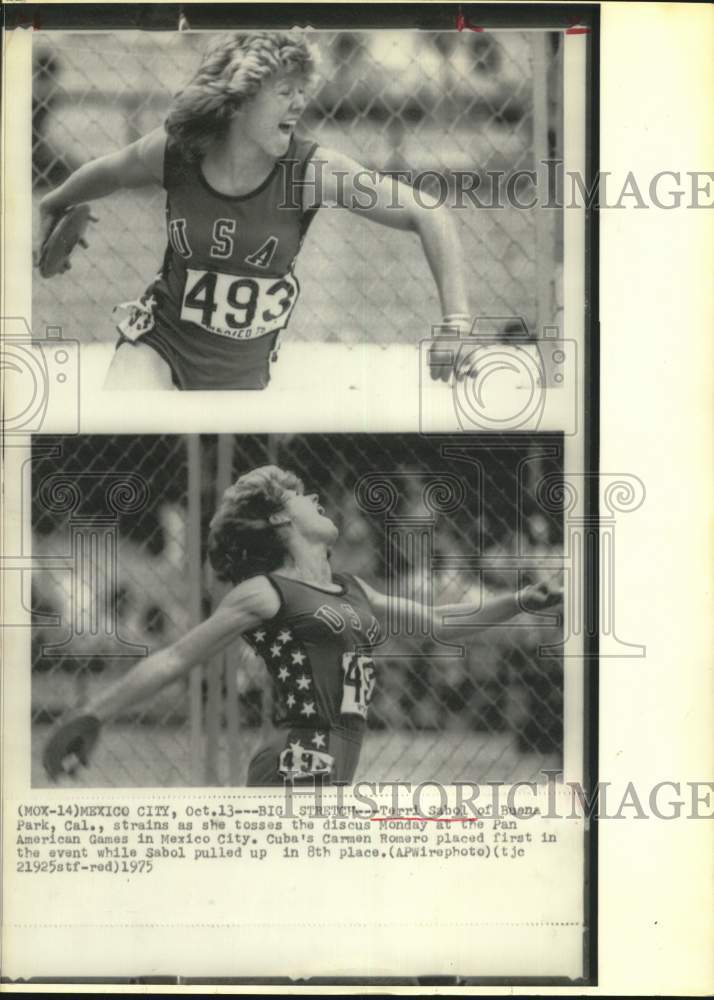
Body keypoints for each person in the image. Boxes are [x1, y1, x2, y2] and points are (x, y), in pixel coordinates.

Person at [43, 465, 563, 786]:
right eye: (305, 499)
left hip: (339, 763)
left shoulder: (351, 588)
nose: (318, 500)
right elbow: (178, 656)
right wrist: (93, 713)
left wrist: (518, 599)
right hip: (295, 762)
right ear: (280, 522)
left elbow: (440, 623)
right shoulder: (266, 590)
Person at [37, 31, 470, 390]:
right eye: (285, 92)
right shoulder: (177, 152)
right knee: (122, 421)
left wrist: (456, 323)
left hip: (246, 376)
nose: (299, 104)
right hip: (162, 348)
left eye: (303, 91)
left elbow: (429, 214)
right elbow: (109, 172)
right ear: (240, 100)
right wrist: (54, 207)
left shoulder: (310, 171)